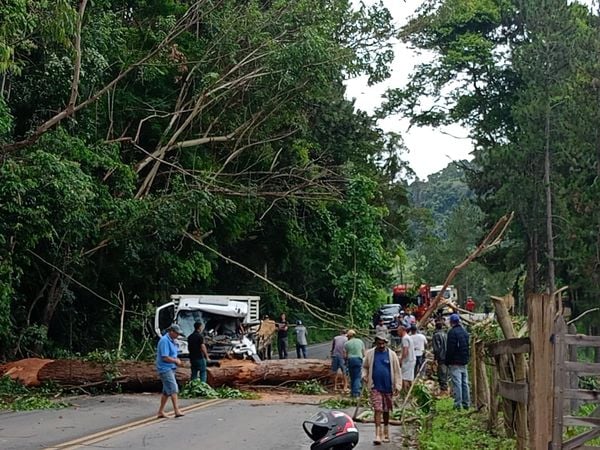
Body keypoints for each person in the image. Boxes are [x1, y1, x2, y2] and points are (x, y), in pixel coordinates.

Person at [362, 332, 402, 445]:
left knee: (386, 410)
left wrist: (398, 385)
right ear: (376, 343)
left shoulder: (392, 355)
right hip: (375, 386)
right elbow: (364, 367)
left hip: (388, 387)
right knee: (377, 409)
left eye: (383, 343)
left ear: (386, 343)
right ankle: (377, 434)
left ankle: (386, 431)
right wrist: (364, 375)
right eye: (379, 343)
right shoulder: (370, 354)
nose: (381, 345)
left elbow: (397, 371)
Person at [156, 324, 185, 418]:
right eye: (176, 333)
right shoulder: (164, 341)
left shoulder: (172, 341)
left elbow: (174, 353)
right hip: (165, 368)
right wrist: (175, 360)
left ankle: (160, 411)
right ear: (171, 332)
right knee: (173, 388)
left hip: (171, 368)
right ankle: (176, 410)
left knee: (166, 391)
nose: (178, 335)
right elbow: (165, 357)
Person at [446, 313, 471, 409]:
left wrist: (447, 361)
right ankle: (466, 403)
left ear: (451, 322)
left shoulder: (452, 333)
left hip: (455, 362)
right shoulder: (464, 332)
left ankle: (457, 404)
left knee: (457, 383)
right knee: (465, 383)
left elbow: (450, 349)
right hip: (464, 361)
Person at [343, 329, 365, 398]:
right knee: (357, 376)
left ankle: (353, 392)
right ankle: (356, 392)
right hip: (358, 359)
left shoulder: (346, 343)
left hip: (350, 360)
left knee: (352, 377)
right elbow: (363, 352)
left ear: (349, 336)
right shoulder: (360, 341)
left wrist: (346, 361)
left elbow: (345, 355)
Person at [398, 321, 416, 392]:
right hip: (412, 359)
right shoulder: (409, 337)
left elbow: (405, 351)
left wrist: (401, 360)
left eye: (398, 331)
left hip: (407, 360)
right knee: (410, 377)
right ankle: (411, 391)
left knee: (404, 377)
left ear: (402, 330)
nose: (397, 333)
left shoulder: (404, 339)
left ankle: (405, 392)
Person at [432, 319, 449, 393]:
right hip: (447, 355)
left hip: (441, 356)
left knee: (441, 371)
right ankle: (445, 385)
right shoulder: (445, 334)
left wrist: (435, 358)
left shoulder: (436, 335)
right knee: (445, 371)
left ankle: (443, 388)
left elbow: (436, 348)